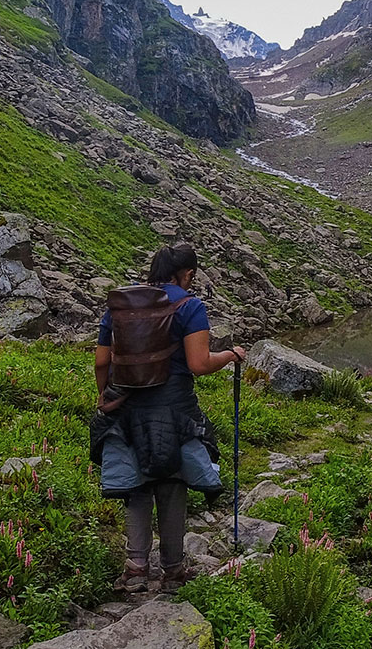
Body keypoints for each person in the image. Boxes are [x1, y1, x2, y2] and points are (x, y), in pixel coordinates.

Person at [91, 244, 245, 594]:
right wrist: (230, 355)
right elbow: (199, 364)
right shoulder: (189, 306)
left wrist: (105, 394)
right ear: (187, 273)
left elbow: (102, 361)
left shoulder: (122, 306)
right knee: (173, 483)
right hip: (174, 408)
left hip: (129, 408)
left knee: (136, 485)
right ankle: (173, 568)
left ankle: (136, 568)